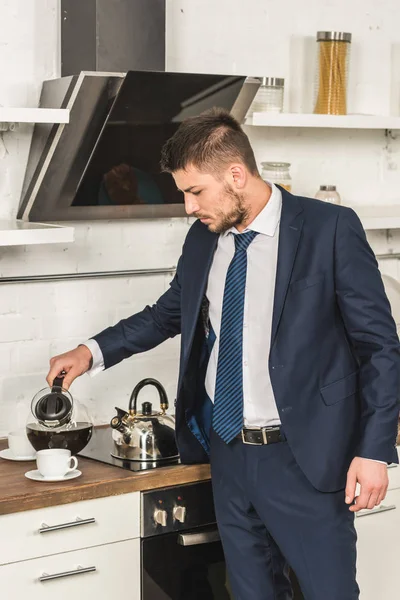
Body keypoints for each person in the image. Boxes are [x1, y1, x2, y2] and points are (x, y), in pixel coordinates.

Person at [47, 108, 400, 599]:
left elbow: (380, 346)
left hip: (307, 459)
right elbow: (169, 313)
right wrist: (91, 352)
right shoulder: (204, 239)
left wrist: (374, 450)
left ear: (236, 175)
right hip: (228, 454)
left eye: (195, 191)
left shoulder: (329, 229)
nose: (189, 207)